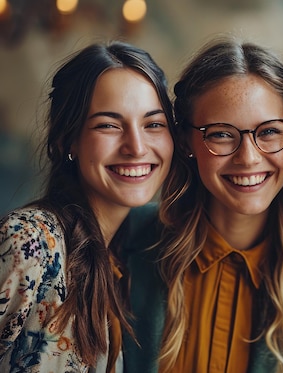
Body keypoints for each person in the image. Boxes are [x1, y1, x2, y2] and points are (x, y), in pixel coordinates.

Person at [122, 37, 283, 373]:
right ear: (187, 141)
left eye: (268, 132)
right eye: (221, 134)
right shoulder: (123, 244)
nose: (248, 158)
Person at [0, 41, 174, 372]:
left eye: (153, 124)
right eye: (108, 125)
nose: (137, 147)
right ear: (68, 141)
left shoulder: (127, 259)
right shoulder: (29, 243)